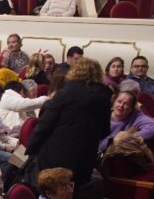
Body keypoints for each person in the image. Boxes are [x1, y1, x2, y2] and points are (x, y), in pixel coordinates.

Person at [26, 58, 112, 188]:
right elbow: (104, 131)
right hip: (84, 157)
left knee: (50, 192)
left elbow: (45, 124)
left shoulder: (65, 93)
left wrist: (31, 149)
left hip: (56, 153)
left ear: (75, 72)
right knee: (73, 192)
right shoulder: (103, 98)